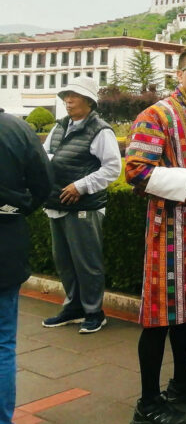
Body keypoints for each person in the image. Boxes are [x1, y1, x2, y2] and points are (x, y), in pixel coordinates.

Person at [125, 43, 186, 424]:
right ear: (179, 74)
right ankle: (147, 403)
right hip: (168, 231)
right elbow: (136, 172)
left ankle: (181, 380)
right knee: (159, 316)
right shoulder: (157, 114)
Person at [40, 76, 121, 334]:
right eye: (66, 95)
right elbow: (44, 156)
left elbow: (112, 168)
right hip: (57, 204)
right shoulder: (59, 127)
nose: (68, 100)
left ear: (89, 101)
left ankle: (94, 311)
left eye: (74, 95)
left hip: (84, 206)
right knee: (63, 261)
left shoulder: (101, 130)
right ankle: (73, 307)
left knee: (87, 262)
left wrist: (81, 186)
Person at [0, 109, 52, 423]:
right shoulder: (16, 129)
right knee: (3, 342)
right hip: (5, 241)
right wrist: (15, 208)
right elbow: (44, 183)